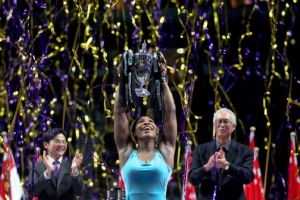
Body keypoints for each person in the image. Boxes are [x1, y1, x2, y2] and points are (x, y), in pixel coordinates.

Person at [114, 60, 177, 200]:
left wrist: (162, 79)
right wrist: (123, 78)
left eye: (151, 122)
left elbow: (170, 111)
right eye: (141, 122)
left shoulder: (166, 151)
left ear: (157, 132)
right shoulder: (126, 152)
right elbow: (119, 111)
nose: (147, 123)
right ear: (133, 132)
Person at [188, 108, 254, 200]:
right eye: (219, 121)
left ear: (234, 126)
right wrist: (208, 166)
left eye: (226, 122)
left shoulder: (245, 151)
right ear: (214, 125)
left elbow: (248, 177)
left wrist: (227, 166)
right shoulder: (200, 150)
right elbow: (192, 178)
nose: (222, 125)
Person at [31, 128, 86, 200]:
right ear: (45, 144)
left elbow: (80, 192)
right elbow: (33, 192)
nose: (61, 145)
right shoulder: (37, 167)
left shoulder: (72, 166)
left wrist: (74, 171)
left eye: (64, 142)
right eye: (57, 141)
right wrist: (47, 172)